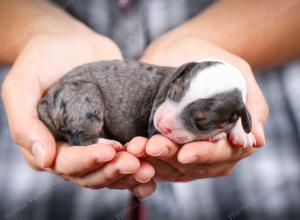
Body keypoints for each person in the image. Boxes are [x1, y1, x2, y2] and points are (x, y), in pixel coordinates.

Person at [0, 0, 299, 220]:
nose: (164, 120)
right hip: (33, 179)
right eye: (174, 94)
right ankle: (85, 139)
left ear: (239, 116)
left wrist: (235, 125)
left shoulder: (233, 109)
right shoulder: (181, 79)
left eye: (198, 121)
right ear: (182, 74)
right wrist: (38, 32)